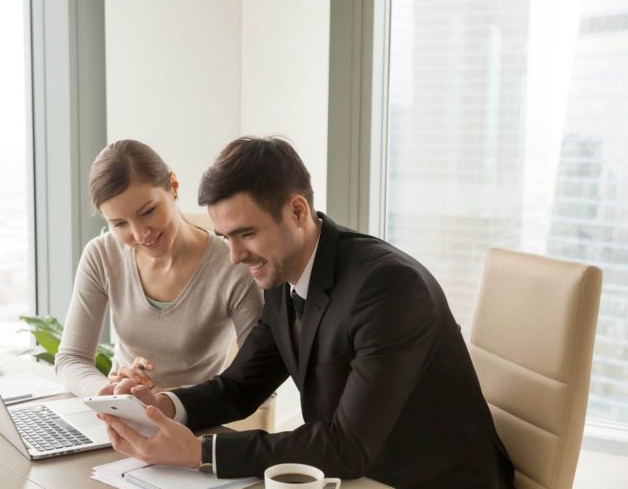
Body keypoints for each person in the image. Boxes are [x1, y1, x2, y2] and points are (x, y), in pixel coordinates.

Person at [102, 136, 515, 488]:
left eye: (246, 234)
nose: (234, 256)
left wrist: (201, 451)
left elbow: (346, 447)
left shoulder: (390, 288)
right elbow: (242, 385)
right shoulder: (282, 275)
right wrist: (162, 406)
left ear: (297, 211)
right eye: (226, 237)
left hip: (429, 480)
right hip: (356, 474)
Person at [55, 139, 263, 397]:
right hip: (122, 414)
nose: (140, 234)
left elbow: (258, 378)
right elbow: (71, 359)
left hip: (195, 420)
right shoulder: (101, 256)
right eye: (119, 224)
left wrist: (164, 397)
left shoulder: (232, 265)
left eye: (148, 211)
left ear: (173, 187)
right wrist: (110, 392)